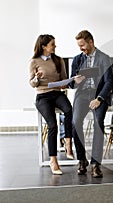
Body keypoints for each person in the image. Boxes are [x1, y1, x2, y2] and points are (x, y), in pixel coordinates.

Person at [69, 30, 113, 178]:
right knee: (75, 123)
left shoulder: (104, 58)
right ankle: (82, 160)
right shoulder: (77, 59)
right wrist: (75, 81)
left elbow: (109, 82)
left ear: (91, 42)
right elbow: (71, 84)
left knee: (98, 122)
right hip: (82, 94)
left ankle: (96, 163)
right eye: (79, 46)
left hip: (98, 95)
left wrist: (99, 98)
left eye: (82, 45)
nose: (81, 48)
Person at [29, 34, 74, 175]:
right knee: (52, 124)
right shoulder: (34, 62)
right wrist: (37, 78)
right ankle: (53, 160)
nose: (55, 46)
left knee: (69, 110)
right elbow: (32, 83)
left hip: (57, 93)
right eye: (52, 44)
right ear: (44, 46)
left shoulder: (58, 60)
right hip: (43, 96)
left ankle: (68, 143)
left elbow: (64, 80)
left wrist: (66, 83)